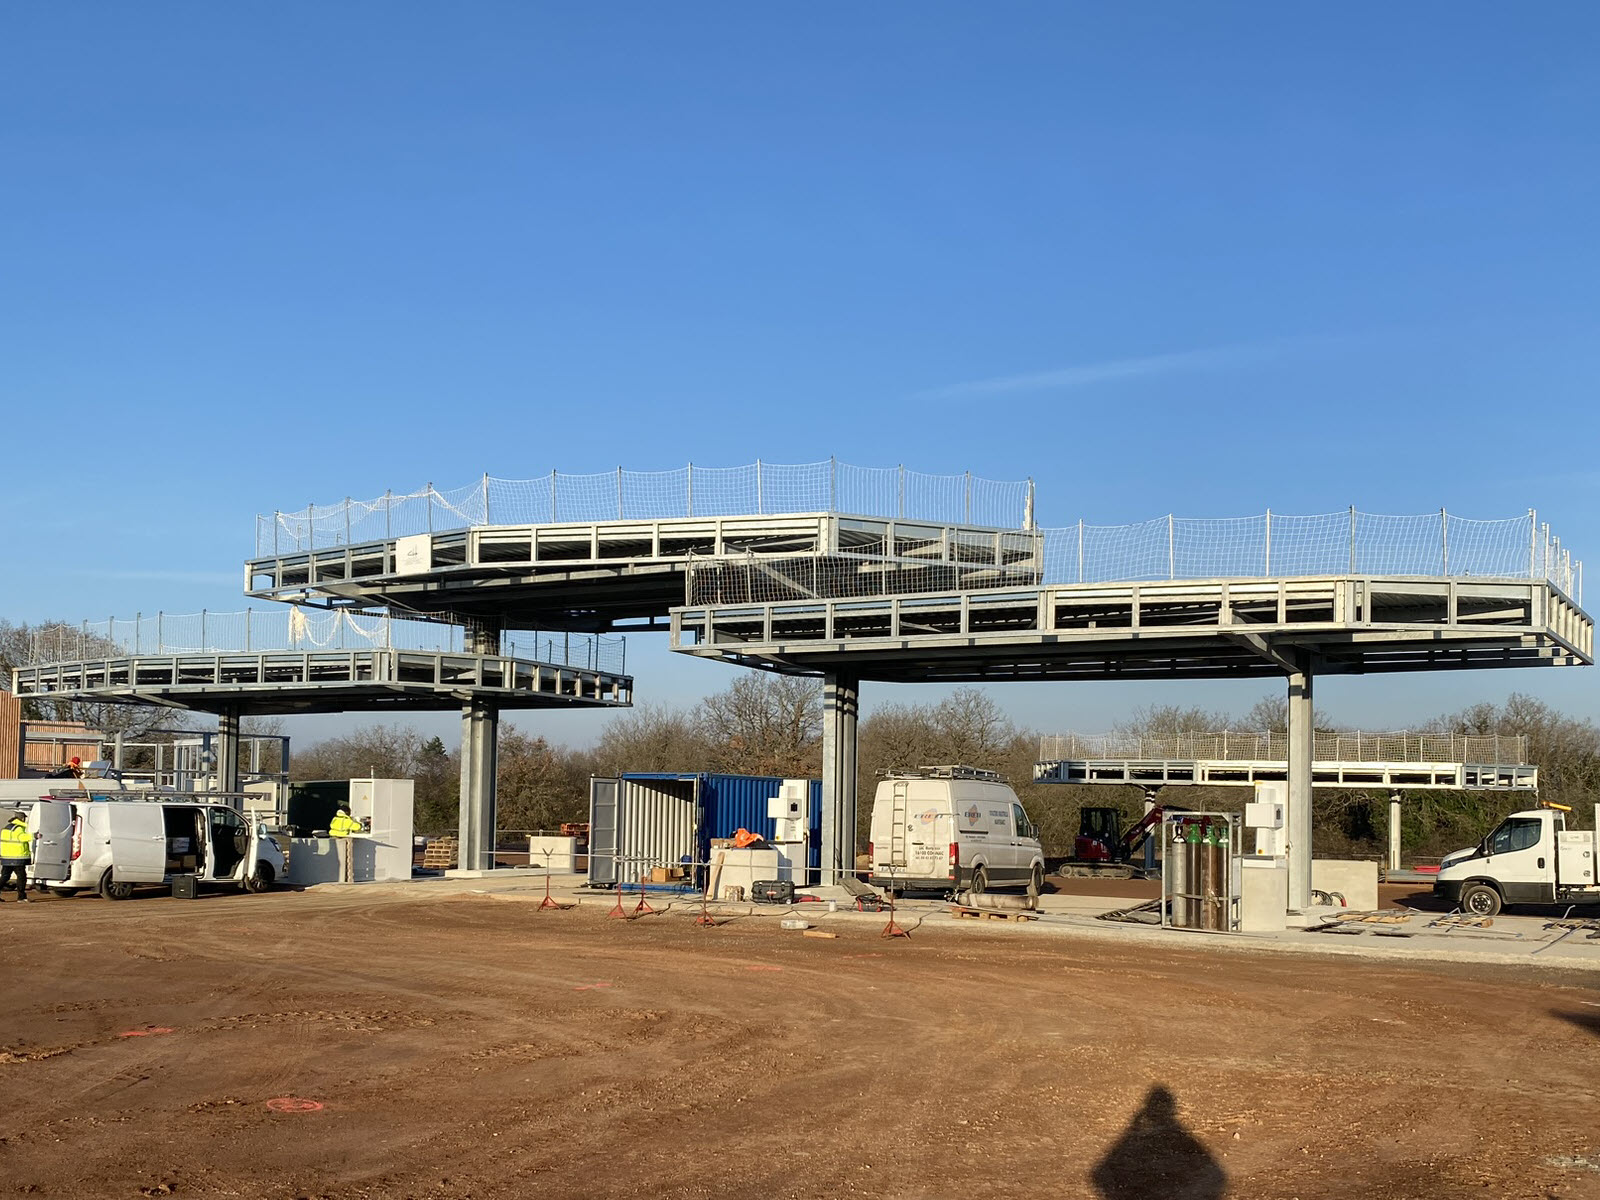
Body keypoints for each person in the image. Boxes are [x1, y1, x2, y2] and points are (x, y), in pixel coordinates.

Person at [1, 810, 33, 903]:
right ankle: (21, 897)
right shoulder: (19, 828)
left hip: (7, 857)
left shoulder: (6, 828)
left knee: (5, 877)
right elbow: (22, 837)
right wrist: (34, 836)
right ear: (22, 819)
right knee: (21, 877)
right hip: (17, 857)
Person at [329, 804, 362, 883]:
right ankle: (345, 878)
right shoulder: (346, 820)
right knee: (345, 861)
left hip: (333, 838)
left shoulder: (335, 818)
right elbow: (357, 827)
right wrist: (359, 823)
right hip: (342, 839)